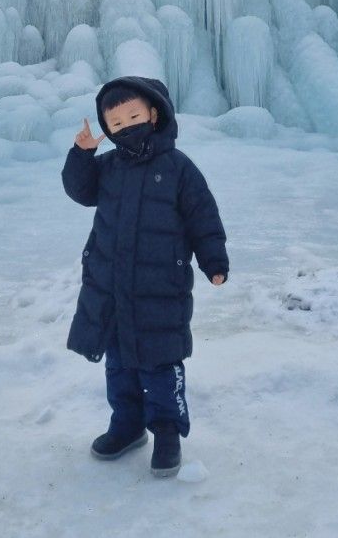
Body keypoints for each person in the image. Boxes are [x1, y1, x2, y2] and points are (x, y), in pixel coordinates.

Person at [61, 75, 229, 478]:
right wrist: (81, 154)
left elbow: (202, 217)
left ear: (154, 114)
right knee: (119, 364)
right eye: (115, 124)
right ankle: (127, 425)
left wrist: (214, 262)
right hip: (111, 287)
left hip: (160, 290)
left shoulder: (178, 168)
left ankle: (168, 432)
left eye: (133, 116)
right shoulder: (108, 167)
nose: (126, 126)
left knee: (161, 364)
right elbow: (80, 191)